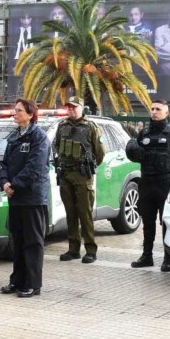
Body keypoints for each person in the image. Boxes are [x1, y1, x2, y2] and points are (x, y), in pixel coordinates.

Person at [126, 100, 170, 271]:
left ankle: (168, 258)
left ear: (166, 112)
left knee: (166, 222)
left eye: (158, 109)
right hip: (147, 182)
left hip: (165, 183)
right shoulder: (144, 133)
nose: (154, 112)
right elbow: (137, 154)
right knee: (147, 222)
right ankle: (146, 256)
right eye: (152, 109)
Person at [0, 98, 50, 298]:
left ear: (30, 114)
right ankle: (17, 281)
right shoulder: (14, 137)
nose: (15, 113)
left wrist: (15, 184)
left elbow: (35, 167)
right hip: (15, 197)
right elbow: (3, 164)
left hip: (32, 197)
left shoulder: (39, 137)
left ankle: (32, 284)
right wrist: (4, 182)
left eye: (19, 110)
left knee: (33, 242)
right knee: (18, 240)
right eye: (15, 110)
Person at [54, 96, 105, 264]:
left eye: (74, 107)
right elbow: (56, 146)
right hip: (66, 176)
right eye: (69, 107)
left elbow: (99, 153)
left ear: (82, 108)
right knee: (71, 214)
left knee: (85, 214)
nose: (71, 110)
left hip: (83, 177)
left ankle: (90, 250)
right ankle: (73, 249)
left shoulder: (90, 127)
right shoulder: (62, 126)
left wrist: (87, 166)